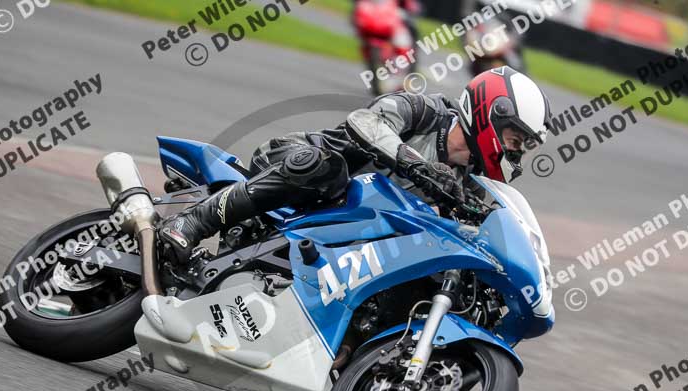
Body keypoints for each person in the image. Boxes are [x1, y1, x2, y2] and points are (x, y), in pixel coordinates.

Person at [159, 67, 552, 263]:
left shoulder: (466, 182)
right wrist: (414, 163)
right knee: (326, 168)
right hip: (299, 162)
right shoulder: (425, 110)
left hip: (343, 229)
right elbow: (365, 121)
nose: (516, 151)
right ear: (490, 115)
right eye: (515, 139)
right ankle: (193, 221)